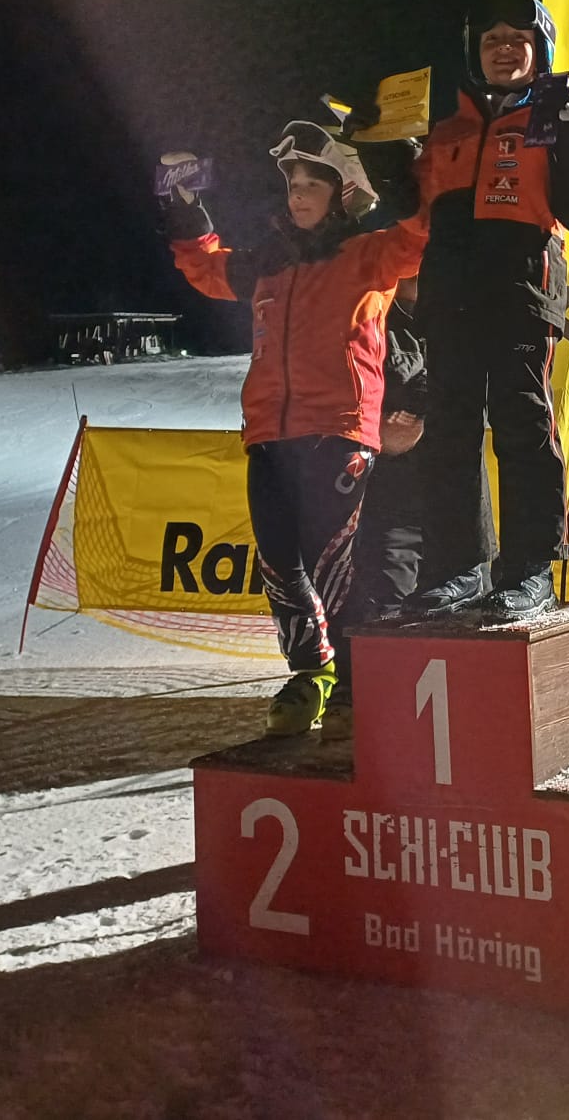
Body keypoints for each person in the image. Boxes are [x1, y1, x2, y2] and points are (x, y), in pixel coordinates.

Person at [164, 123, 427, 736]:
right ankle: (312, 673)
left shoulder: (371, 253)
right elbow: (205, 267)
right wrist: (184, 203)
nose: (299, 195)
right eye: (293, 185)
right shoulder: (270, 263)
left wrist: (403, 161)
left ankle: (355, 685)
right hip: (268, 434)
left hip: (339, 430)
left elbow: (422, 231)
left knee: (333, 563)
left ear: (344, 193)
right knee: (281, 564)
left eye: (313, 184)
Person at [360, 0, 569, 619]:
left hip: (522, 292)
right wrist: (376, 144)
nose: (503, 50)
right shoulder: (447, 128)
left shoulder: (554, 118)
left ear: (540, 51)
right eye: (492, 40)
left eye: (518, 41)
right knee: (450, 433)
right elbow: (413, 212)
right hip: (452, 297)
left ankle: (530, 572)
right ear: (475, 52)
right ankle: (458, 569)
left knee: (524, 427)